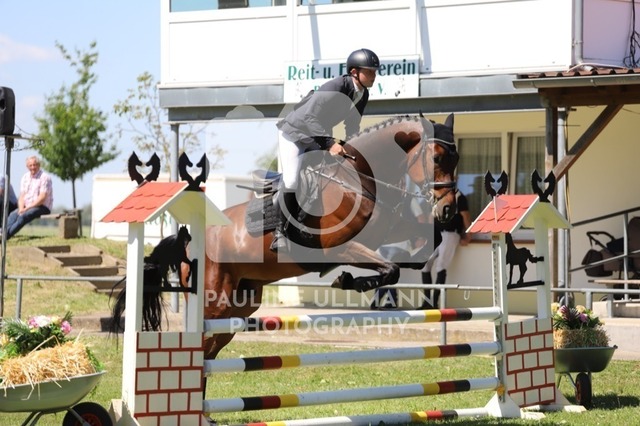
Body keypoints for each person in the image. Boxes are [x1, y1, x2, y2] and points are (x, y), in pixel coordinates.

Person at [271, 48, 380, 253]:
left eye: (375, 72)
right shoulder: (336, 86)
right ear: (354, 72)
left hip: (316, 136)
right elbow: (309, 117)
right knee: (292, 180)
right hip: (294, 133)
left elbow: (352, 125)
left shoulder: (362, 93)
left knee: (328, 176)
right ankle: (280, 233)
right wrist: (330, 144)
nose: (374, 75)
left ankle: (308, 223)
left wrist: (351, 147)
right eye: (370, 71)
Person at [420, 189, 472, 309]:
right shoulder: (436, 196)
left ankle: (434, 302)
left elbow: (465, 215)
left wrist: (468, 235)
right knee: (425, 264)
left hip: (450, 234)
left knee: (441, 265)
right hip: (436, 233)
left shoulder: (458, 197)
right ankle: (427, 302)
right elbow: (431, 215)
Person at [4, 156, 53, 239]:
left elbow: (42, 198)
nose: (33, 167)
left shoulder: (45, 177)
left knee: (24, 216)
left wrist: (27, 208)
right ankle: (3, 233)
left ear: (39, 165)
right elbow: (22, 196)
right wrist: (21, 209)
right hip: (26, 207)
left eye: (35, 165)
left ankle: (5, 237)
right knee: (13, 214)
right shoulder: (25, 177)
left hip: (42, 207)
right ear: (27, 166)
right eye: (30, 165)